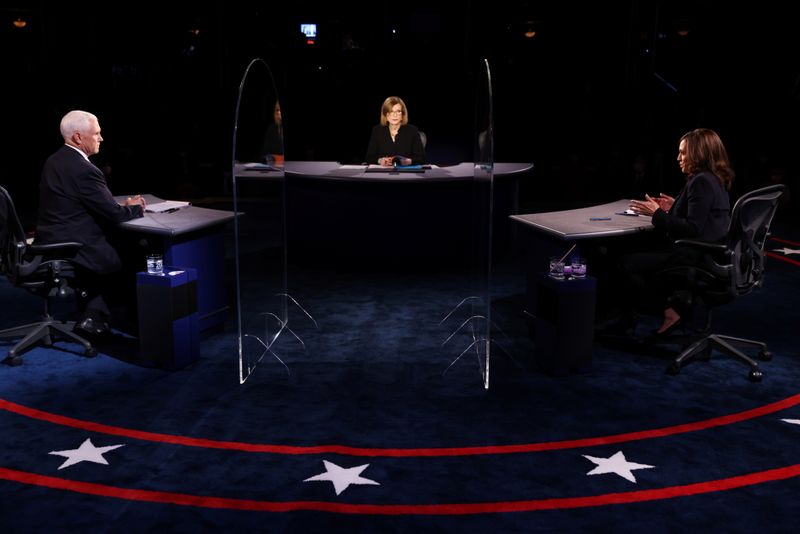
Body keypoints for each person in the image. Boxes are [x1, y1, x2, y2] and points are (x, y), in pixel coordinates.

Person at [36, 110, 146, 337]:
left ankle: (92, 314)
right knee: (136, 251)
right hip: (75, 245)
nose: (101, 138)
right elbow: (114, 215)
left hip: (51, 239)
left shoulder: (54, 160)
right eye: (97, 133)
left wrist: (118, 206)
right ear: (78, 137)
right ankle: (128, 322)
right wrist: (135, 207)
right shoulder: (84, 169)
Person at [621, 128, 733, 336]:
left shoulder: (701, 181)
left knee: (627, 263)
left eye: (683, 152)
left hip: (694, 256)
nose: (678, 158)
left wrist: (656, 213)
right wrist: (676, 205)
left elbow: (692, 228)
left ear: (698, 153)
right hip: (709, 253)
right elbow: (705, 216)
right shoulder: (714, 178)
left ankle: (670, 311)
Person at [365, 96, 426, 166]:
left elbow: (422, 158)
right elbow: (369, 157)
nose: (395, 115)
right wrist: (380, 160)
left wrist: (409, 161)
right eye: (391, 111)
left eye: (398, 111)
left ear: (402, 115)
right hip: (383, 173)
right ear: (386, 115)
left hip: (406, 174)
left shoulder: (412, 131)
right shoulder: (377, 131)